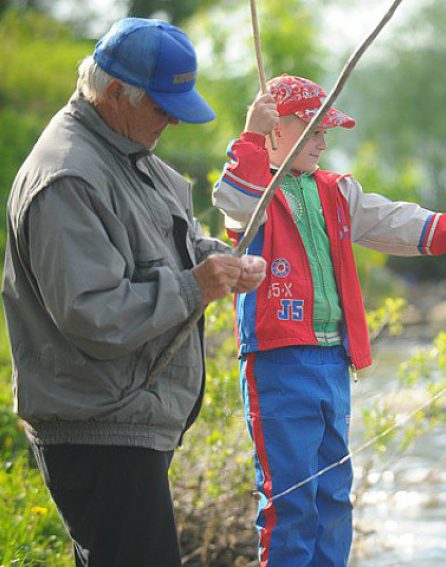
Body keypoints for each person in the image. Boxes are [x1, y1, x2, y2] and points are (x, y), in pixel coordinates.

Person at [212, 73, 446, 566]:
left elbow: (396, 221)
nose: (323, 141)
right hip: (276, 362)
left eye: (325, 132)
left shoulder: (336, 191)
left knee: (335, 496)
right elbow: (235, 201)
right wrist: (251, 136)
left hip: (332, 361)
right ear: (278, 129)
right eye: (314, 129)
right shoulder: (251, 187)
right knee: (289, 500)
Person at [2, 18, 266, 567]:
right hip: (99, 431)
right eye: (163, 105)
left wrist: (220, 260)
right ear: (115, 93)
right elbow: (94, 315)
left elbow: (173, 241)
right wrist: (196, 286)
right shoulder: (69, 177)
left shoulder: (125, 151)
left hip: (123, 425)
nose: (172, 118)